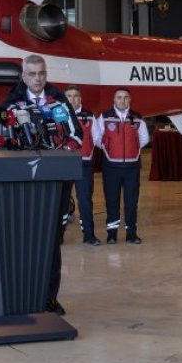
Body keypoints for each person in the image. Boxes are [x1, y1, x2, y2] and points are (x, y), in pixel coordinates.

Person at [4, 53, 81, 315]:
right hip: (23, 184)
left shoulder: (58, 100)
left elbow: (75, 135)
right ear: (24, 76)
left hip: (55, 182)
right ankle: (23, 296)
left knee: (52, 241)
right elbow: (5, 138)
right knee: (23, 240)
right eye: (33, 74)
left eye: (42, 74)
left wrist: (60, 154)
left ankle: (50, 297)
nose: (38, 79)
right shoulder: (13, 102)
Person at [92, 87, 150, 245]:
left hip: (132, 168)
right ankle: (111, 234)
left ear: (130, 100)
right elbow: (97, 138)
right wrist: (110, 149)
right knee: (112, 201)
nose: (122, 100)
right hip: (111, 167)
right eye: (119, 97)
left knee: (131, 201)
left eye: (125, 97)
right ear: (114, 100)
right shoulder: (104, 117)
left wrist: (132, 151)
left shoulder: (137, 118)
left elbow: (144, 139)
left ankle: (131, 234)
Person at [64, 86, 101, 245]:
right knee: (60, 202)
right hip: (62, 164)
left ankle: (89, 235)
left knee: (85, 201)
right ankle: (58, 236)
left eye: (76, 96)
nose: (72, 99)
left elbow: (98, 139)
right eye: (69, 96)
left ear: (81, 99)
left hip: (84, 164)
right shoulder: (57, 115)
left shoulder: (90, 116)